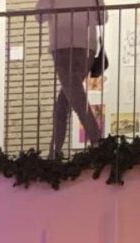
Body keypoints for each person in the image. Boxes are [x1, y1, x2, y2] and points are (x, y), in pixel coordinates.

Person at [39, 0, 106, 155]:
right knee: (63, 104)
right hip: (88, 46)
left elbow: (40, 15)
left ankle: (98, 142)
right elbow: (103, 17)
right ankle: (54, 153)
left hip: (62, 45)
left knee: (76, 99)